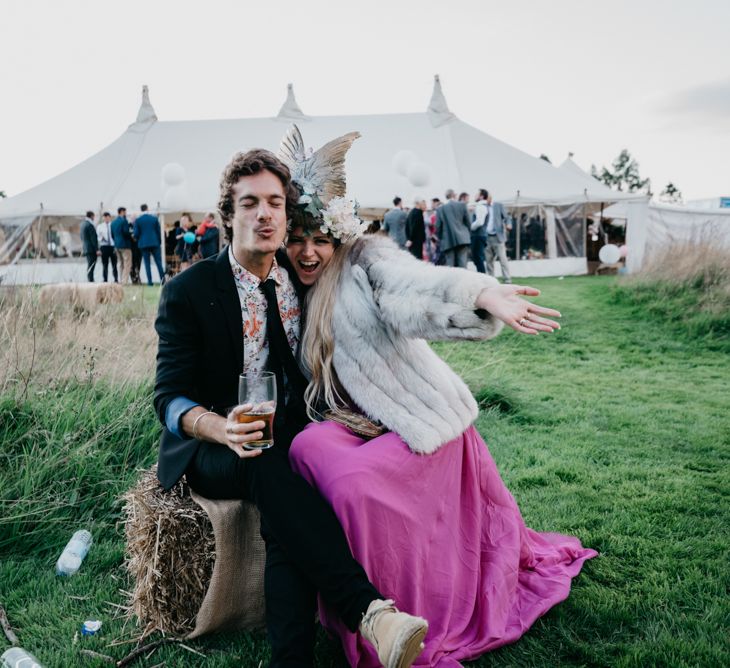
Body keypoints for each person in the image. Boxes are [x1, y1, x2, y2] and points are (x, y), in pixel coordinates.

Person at [281, 127, 597, 667]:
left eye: (321, 239)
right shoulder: (282, 285)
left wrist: (479, 294)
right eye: (297, 238)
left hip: (412, 421)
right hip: (350, 425)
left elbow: (414, 285)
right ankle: (352, 604)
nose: (309, 252)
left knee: (356, 488)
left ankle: (394, 615)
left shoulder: (364, 262)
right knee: (304, 450)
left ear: (339, 236)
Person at [153, 144, 428, 668]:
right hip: (213, 448)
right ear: (227, 216)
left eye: (275, 203)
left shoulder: (297, 274)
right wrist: (219, 427)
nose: (265, 215)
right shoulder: (188, 291)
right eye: (251, 203)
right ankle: (369, 611)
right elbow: (168, 399)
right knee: (265, 463)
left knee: (285, 511)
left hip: (289, 432)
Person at [435, 188, 471, 267]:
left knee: (450, 266)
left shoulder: (440, 209)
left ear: (446, 196)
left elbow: (438, 227)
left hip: (447, 240)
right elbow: (468, 222)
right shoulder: (462, 205)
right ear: (454, 195)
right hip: (462, 238)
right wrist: (467, 234)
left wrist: (441, 238)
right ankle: (463, 279)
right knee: (462, 264)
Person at [483, 192, 512, 283]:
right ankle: (491, 279)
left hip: (498, 237)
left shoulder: (498, 206)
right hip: (486, 237)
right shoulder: (482, 207)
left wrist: (508, 224)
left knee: (503, 259)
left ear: (490, 198)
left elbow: (507, 217)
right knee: (489, 261)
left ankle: (507, 279)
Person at [134, 204, 165, 285]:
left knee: (147, 264)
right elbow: (158, 232)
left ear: (141, 210)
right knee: (158, 262)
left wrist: (139, 239)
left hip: (144, 244)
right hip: (155, 243)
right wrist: (159, 242)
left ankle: (150, 282)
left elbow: (136, 234)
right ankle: (163, 280)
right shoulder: (154, 219)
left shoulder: (138, 220)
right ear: (147, 209)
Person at [111, 207, 133, 285]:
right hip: (125, 245)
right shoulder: (124, 221)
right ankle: (125, 281)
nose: (125, 213)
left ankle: (121, 280)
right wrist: (132, 236)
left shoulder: (113, 222)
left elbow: (112, 235)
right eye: (125, 212)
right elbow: (126, 233)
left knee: (120, 263)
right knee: (127, 264)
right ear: (122, 212)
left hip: (117, 245)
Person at [469, 188, 489, 274]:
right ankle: (482, 276)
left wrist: (470, 227)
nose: (475, 196)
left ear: (481, 196)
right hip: (479, 235)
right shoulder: (481, 206)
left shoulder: (481, 207)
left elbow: (480, 222)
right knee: (477, 258)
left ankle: (482, 277)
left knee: (478, 258)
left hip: (478, 235)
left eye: (477, 194)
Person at [96, 212, 118, 283]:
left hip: (112, 246)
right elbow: (97, 237)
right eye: (105, 217)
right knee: (105, 264)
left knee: (114, 264)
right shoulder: (100, 226)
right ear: (103, 218)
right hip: (104, 246)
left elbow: (116, 235)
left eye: (107, 217)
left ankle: (116, 279)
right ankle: (105, 279)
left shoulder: (113, 225)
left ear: (110, 217)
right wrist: (101, 238)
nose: (106, 219)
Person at [80, 211, 99, 282]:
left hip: (86, 247)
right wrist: (97, 249)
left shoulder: (82, 224)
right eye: (94, 216)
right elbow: (93, 238)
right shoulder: (90, 225)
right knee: (91, 265)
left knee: (89, 264)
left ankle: (90, 279)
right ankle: (91, 279)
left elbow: (81, 237)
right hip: (91, 248)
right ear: (91, 216)